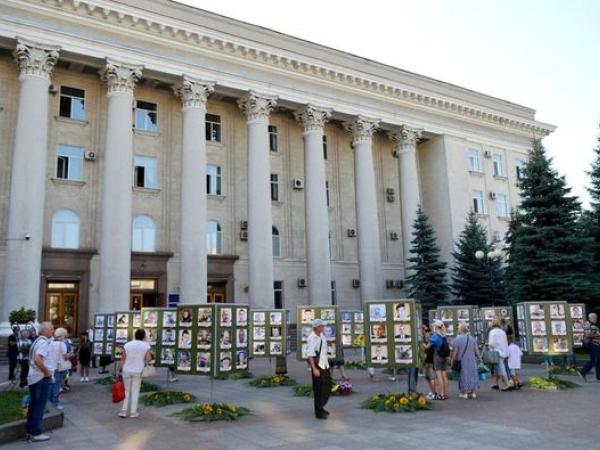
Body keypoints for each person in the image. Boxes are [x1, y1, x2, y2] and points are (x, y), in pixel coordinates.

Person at [26, 322, 55, 442]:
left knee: (34, 405)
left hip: (35, 378)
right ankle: (35, 433)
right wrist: (47, 373)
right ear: (45, 330)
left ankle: (30, 431)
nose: (53, 331)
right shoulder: (43, 342)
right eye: (52, 329)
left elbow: (33, 359)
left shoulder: (37, 341)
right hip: (41, 378)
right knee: (39, 406)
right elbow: (38, 359)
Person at [118, 329, 151, 418]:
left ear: (135, 335)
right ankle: (133, 412)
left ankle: (124, 411)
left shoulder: (127, 344)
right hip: (138, 370)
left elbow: (123, 358)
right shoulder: (146, 346)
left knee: (126, 391)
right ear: (143, 336)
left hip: (126, 370)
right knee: (135, 391)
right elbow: (148, 359)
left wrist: (120, 370)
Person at [306, 319, 331, 419]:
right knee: (319, 389)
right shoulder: (312, 338)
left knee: (326, 387)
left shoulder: (321, 336)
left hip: (324, 364)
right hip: (317, 366)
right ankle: (319, 412)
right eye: (322, 326)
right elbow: (310, 355)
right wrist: (314, 369)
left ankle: (321, 406)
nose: (323, 327)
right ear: (317, 327)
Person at [450, 323, 481, 399]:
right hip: (472, 359)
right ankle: (473, 392)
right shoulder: (472, 338)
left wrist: (452, 360)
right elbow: (476, 350)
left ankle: (465, 393)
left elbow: (455, 351)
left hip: (462, 360)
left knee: (464, 375)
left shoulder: (457, 339)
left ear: (460, 330)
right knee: (472, 374)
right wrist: (480, 358)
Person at [488, 319, 511, 391]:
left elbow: (491, 343)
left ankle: (507, 384)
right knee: (496, 368)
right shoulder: (502, 332)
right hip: (503, 352)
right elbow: (505, 342)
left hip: (496, 353)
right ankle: (496, 383)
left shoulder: (492, 332)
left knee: (501, 368)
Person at [427, 320, 449, 400]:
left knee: (439, 376)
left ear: (436, 327)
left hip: (438, 357)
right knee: (444, 375)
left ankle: (441, 394)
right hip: (445, 357)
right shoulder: (444, 335)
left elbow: (427, 347)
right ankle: (445, 393)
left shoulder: (435, 336)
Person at [48, 328, 68, 410]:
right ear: (63, 335)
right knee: (56, 386)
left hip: (49, 367)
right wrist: (71, 354)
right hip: (58, 367)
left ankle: (49, 403)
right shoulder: (61, 344)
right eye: (65, 335)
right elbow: (65, 356)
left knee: (50, 386)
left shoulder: (49, 342)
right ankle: (55, 403)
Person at [580, 312, 600, 382]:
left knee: (598, 361)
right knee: (594, 360)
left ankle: (598, 376)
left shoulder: (595, 325)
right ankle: (583, 372)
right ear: (589, 318)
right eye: (594, 317)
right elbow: (588, 335)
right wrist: (598, 335)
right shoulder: (587, 324)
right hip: (591, 344)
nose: (596, 318)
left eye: (596, 317)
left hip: (596, 344)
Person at [421, 325, 437, 400]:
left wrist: (422, 344)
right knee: (428, 378)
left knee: (431, 378)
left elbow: (426, 347)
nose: (426, 337)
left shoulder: (431, 343)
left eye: (427, 337)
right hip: (427, 362)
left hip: (430, 362)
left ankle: (434, 394)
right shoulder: (429, 340)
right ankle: (432, 392)